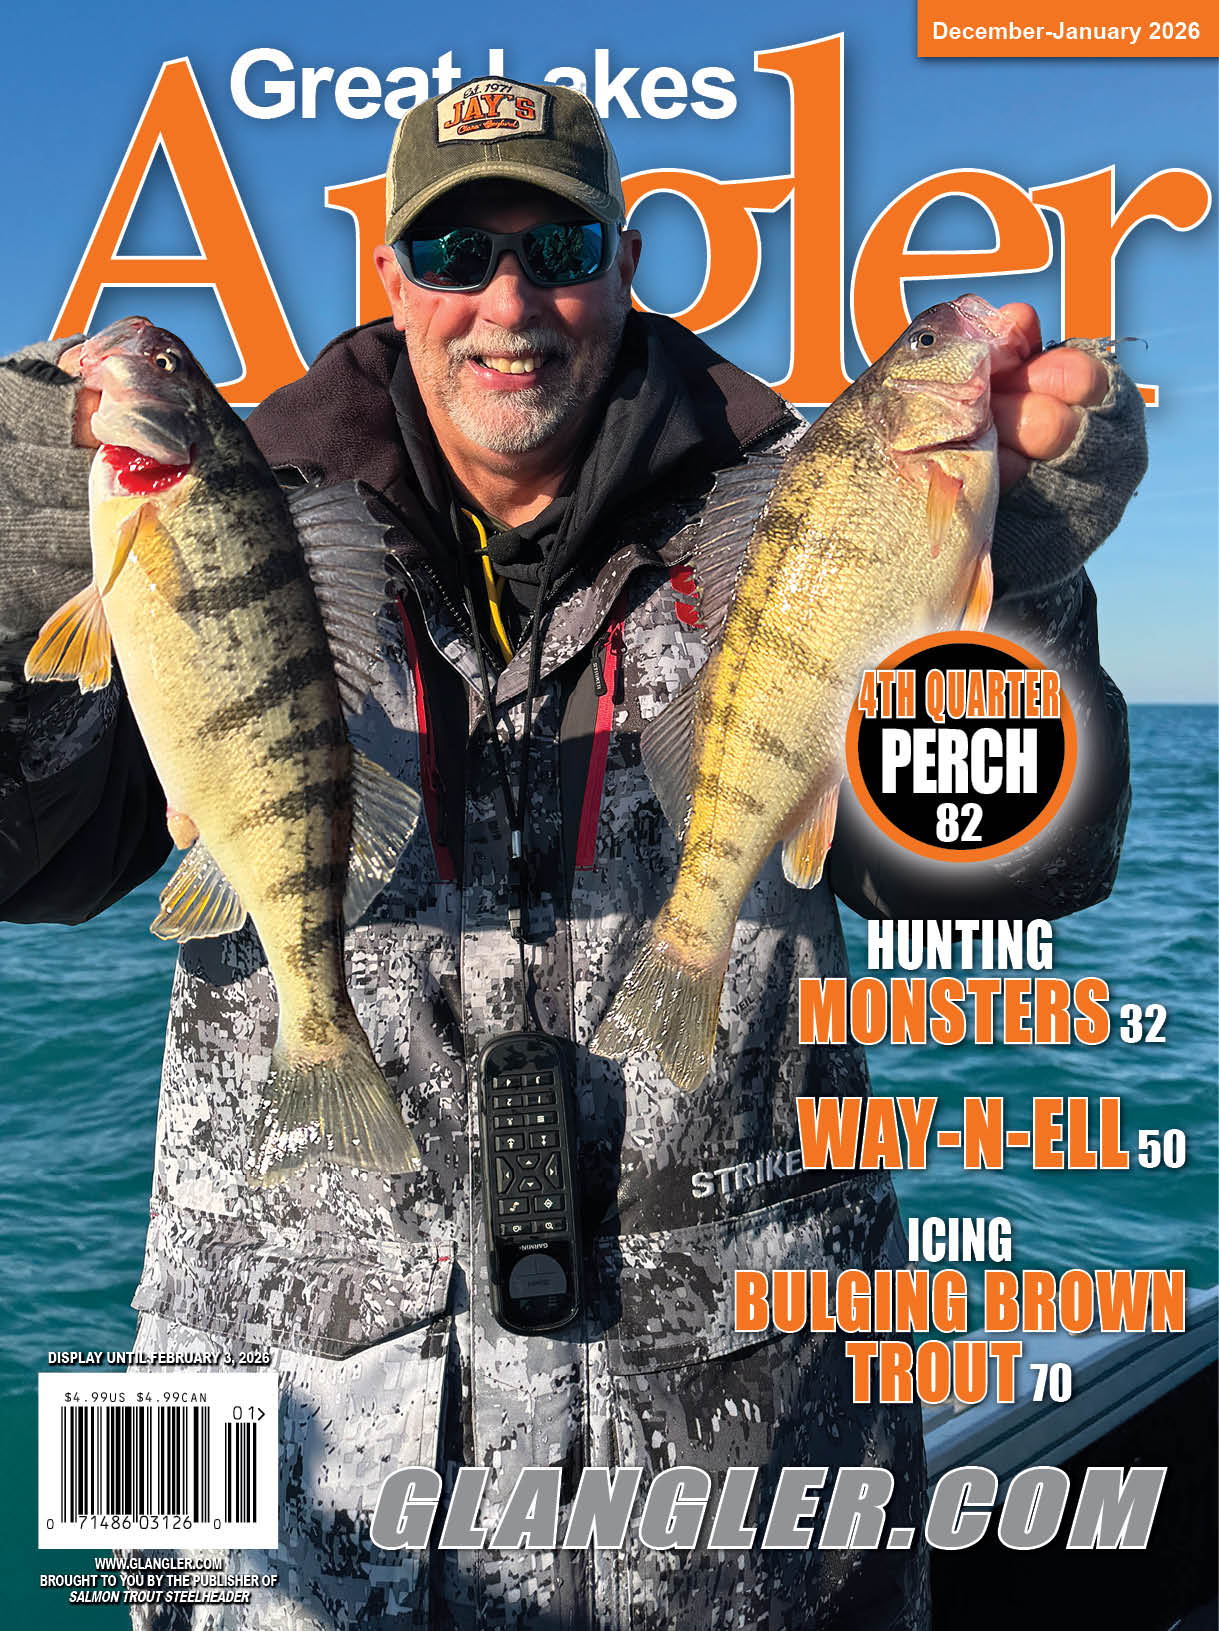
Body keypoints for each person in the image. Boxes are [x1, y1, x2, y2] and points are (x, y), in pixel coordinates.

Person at [0, 78, 1143, 1630]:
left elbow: (1012, 867)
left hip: (745, 1511)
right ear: (389, 278)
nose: (508, 301)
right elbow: (29, 852)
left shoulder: (795, 513)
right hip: (275, 1509)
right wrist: (12, 553)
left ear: (626, 265)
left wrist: (1023, 580)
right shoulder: (235, 524)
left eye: (561, 247)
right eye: (454, 250)